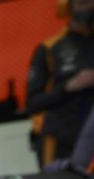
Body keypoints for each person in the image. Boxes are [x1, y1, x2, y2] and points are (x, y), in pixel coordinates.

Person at [26, 0, 94, 169]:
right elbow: (32, 102)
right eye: (83, 2)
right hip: (59, 138)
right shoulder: (49, 48)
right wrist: (69, 86)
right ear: (68, 6)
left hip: (90, 137)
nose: (89, 7)